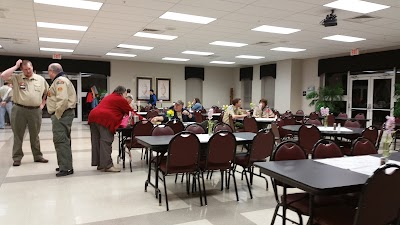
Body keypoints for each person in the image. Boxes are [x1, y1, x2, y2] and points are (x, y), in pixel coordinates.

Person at [1, 59, 49, 166]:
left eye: (30, 68)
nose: (28, 71)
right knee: (18, 135)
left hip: (35, 111)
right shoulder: (16, 78)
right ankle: (17, 158)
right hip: (19, 109)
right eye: (25, 69)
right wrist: (15, 66)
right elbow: (3, 76)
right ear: (22, 70)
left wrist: (42, 104)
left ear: (32, 67)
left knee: (35, 135)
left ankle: (37, 156)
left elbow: (47, 92)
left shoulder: (40, 79)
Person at [88, 86, 144, 172]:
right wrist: (142, 119)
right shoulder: (120, 99)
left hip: (93, 117)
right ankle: (108, 165)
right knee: (106, 141)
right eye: (126, 94)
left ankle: (100, 164)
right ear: (122, 93)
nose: (126, 96)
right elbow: (130, 112)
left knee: (96, 141)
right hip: (104, 119)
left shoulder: (109, 97)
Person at [46, 63, 77, 177]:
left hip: (62, 114)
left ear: (52, 71)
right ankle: (65, 164)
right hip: (64, 114)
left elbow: (62, 99)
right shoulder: (61, 80)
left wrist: (57, 115)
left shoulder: (60, 81)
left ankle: (66, 168)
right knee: (63, 140)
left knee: (60, 140)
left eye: (49, 72)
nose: (49, 74)